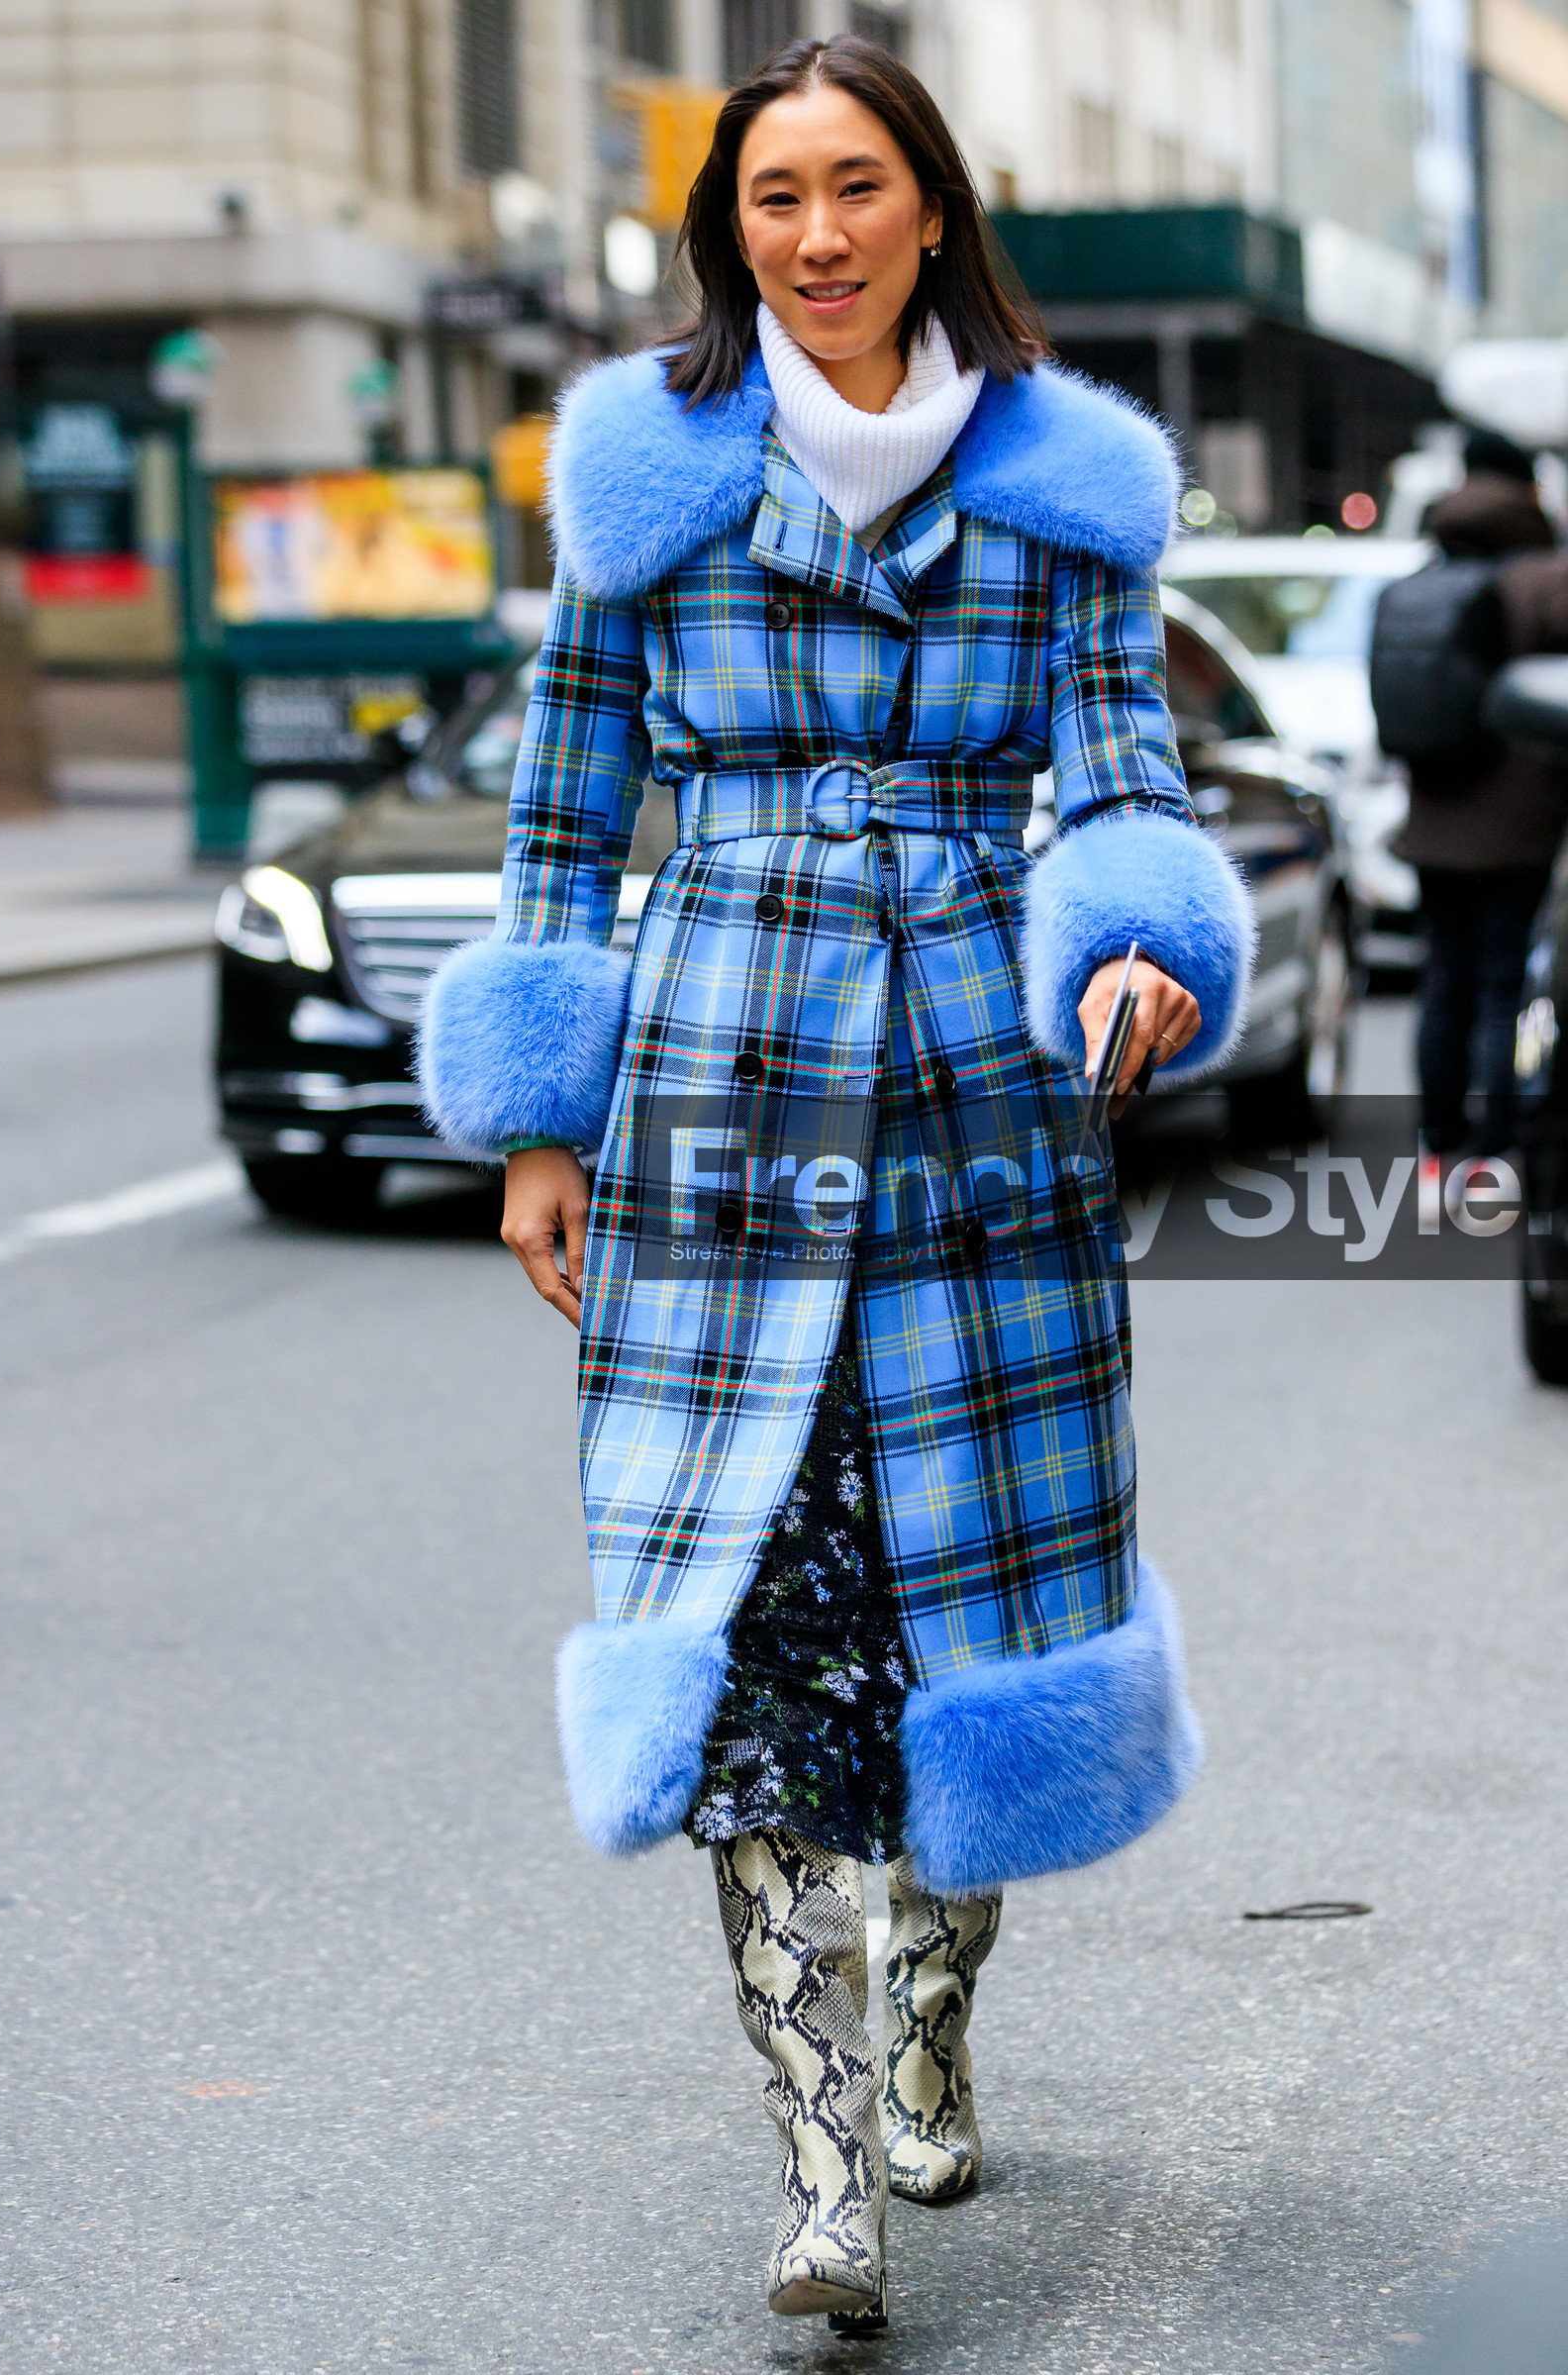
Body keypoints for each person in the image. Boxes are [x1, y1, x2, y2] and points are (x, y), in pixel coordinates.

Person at [421, 35, 1252, 2333]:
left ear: (926, 208)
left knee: (976, 1599)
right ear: (729, 230)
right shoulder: (643, 469)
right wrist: (532, 1120)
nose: (812, 231)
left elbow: (1113, 765)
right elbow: (567, 806)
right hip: (708, 1080)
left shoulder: (1060, 481)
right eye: (770, 193)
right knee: (751, 1614)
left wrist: (1129, 946)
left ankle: (924, 2008)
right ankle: (816, 2167)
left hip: (978, 1101)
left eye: (852, 184)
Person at [1399, 429, 1568, 1154]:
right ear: (1529, 487)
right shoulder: (1546, 576)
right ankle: (1497, 1147)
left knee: (1444, 979)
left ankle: (1439, 1139)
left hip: (1432, 819)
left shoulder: (1426, 569)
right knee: (1504, 984)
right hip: (1519, 825)